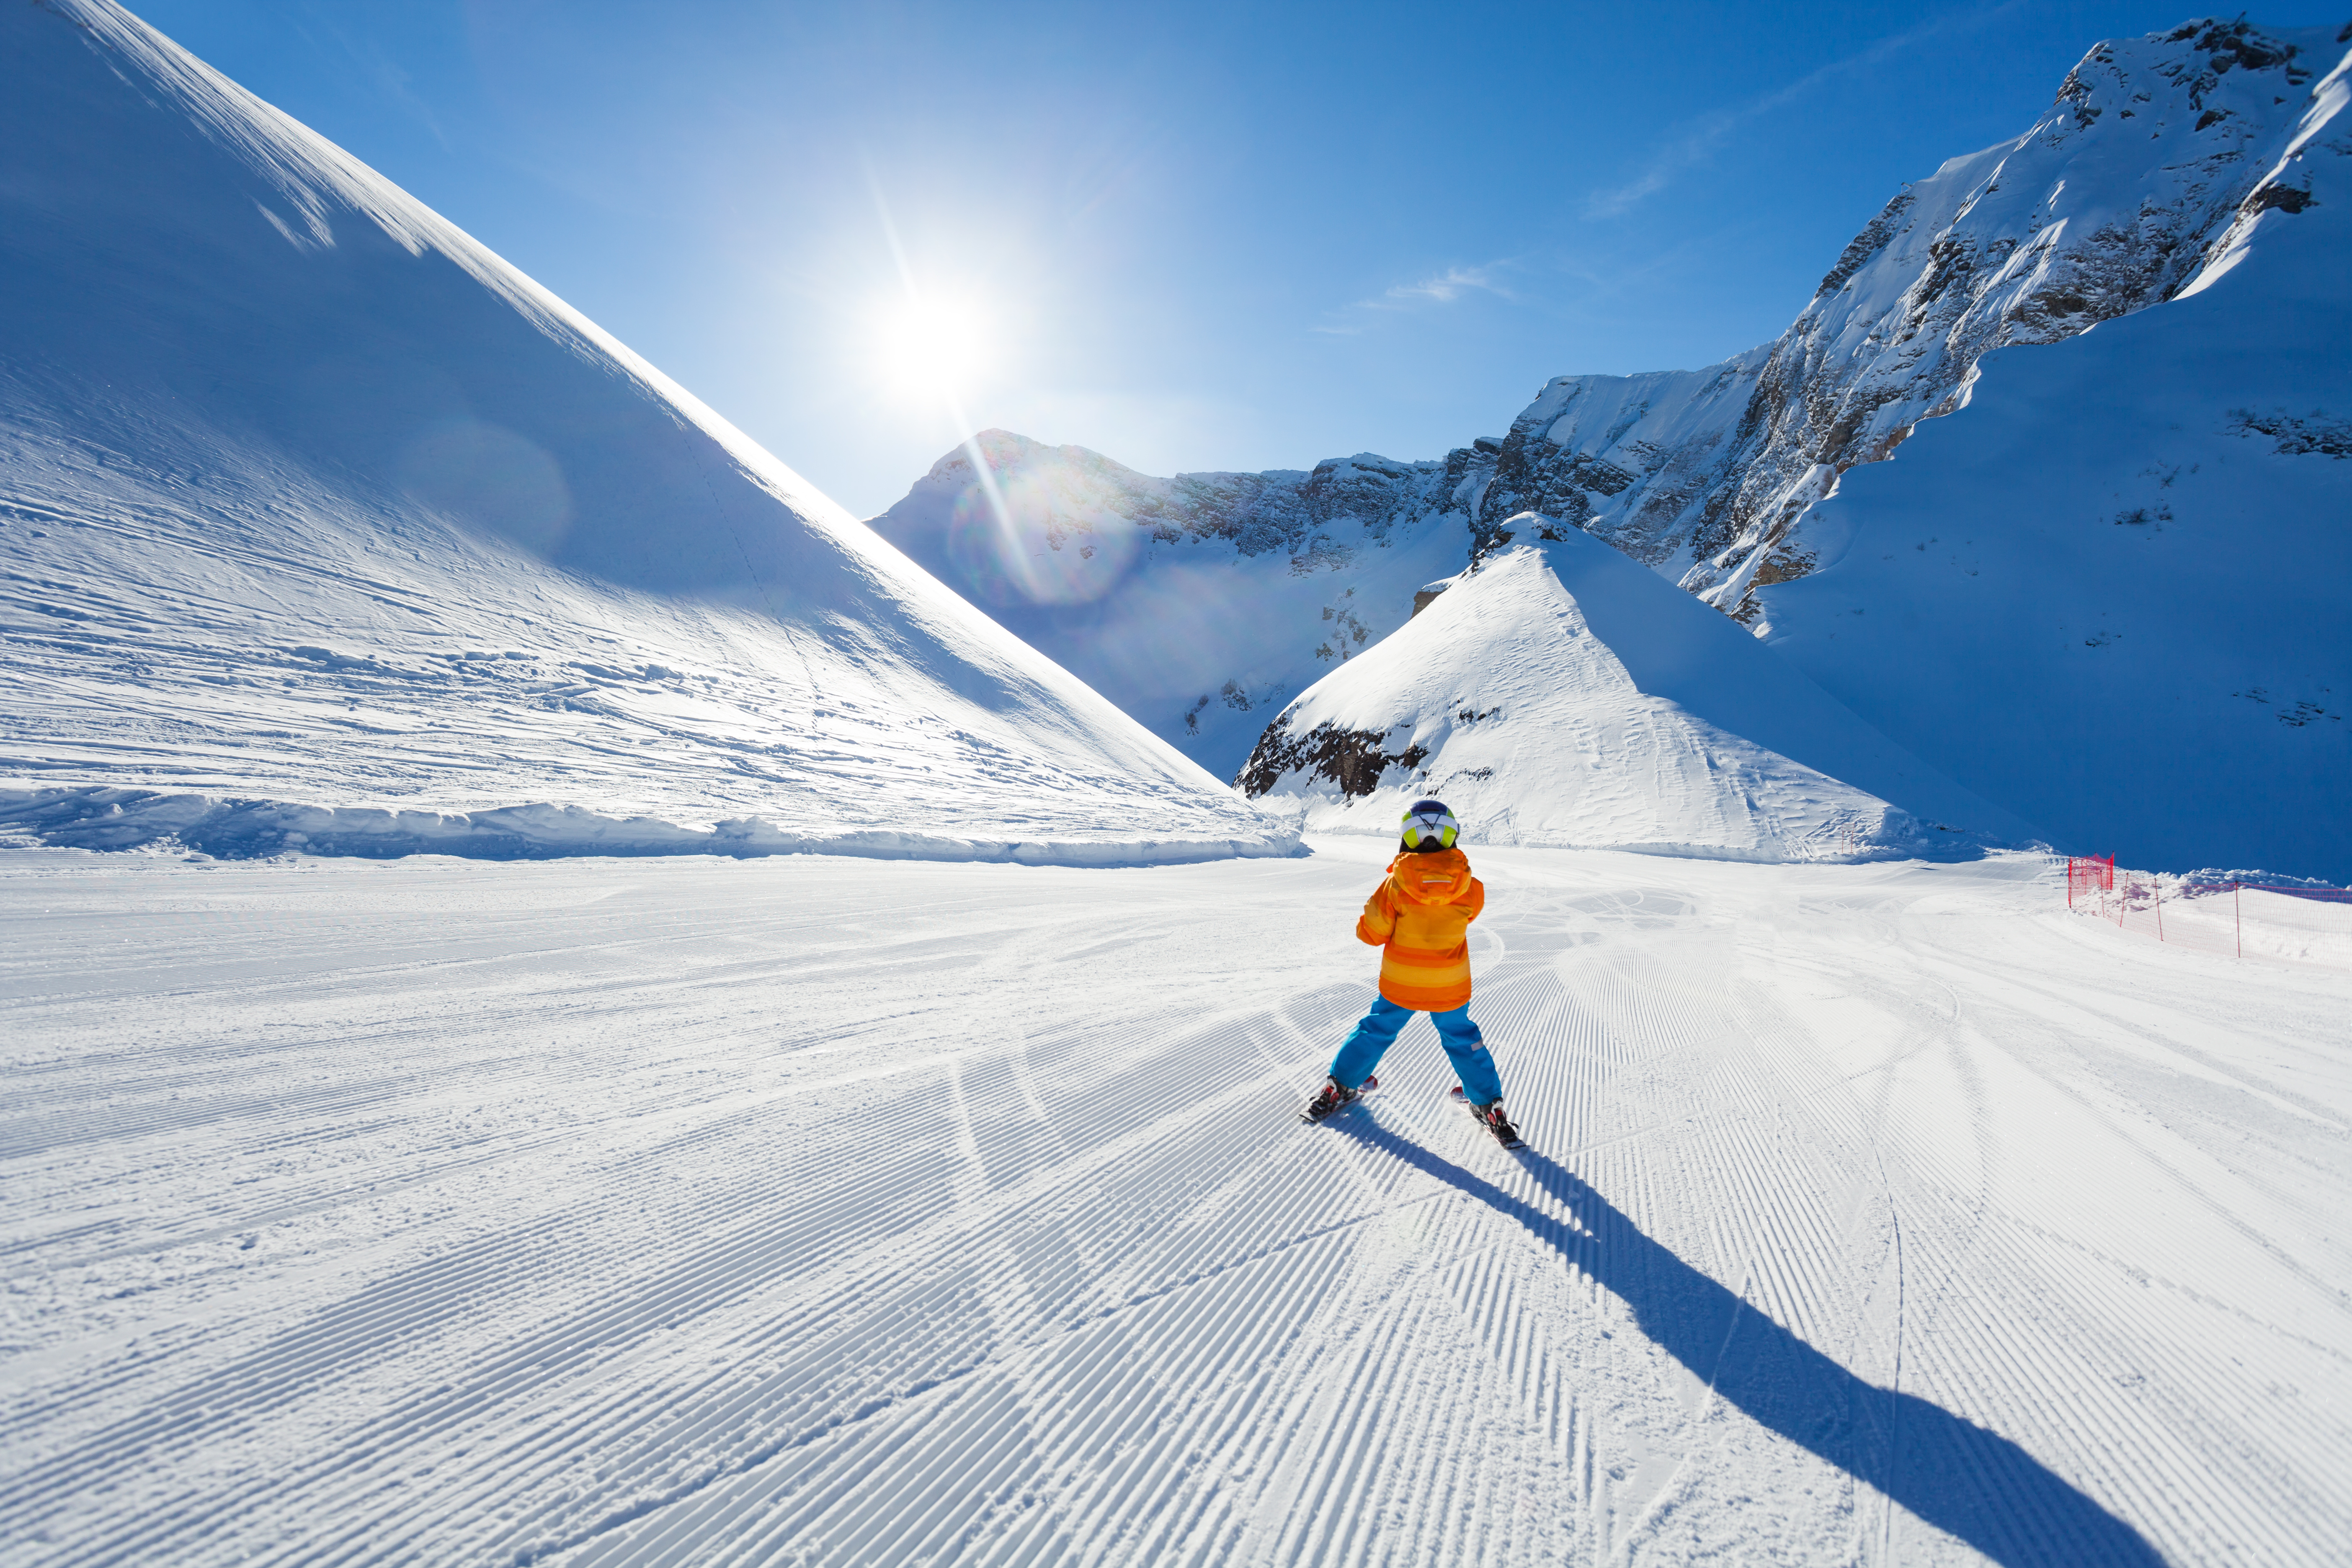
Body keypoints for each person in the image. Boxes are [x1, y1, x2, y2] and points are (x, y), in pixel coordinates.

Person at [1301, 799, 1522, 1147]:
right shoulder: (1471, 888)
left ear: (1408, 838)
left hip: (1400, 984)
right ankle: (1487, 1104)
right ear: (1452, 837)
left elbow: (1371, 934)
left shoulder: (1395, 886)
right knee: (1462, 1038)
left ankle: (1341, 1083)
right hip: (1448, 987)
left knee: (1376, 1028)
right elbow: (1467, 915)